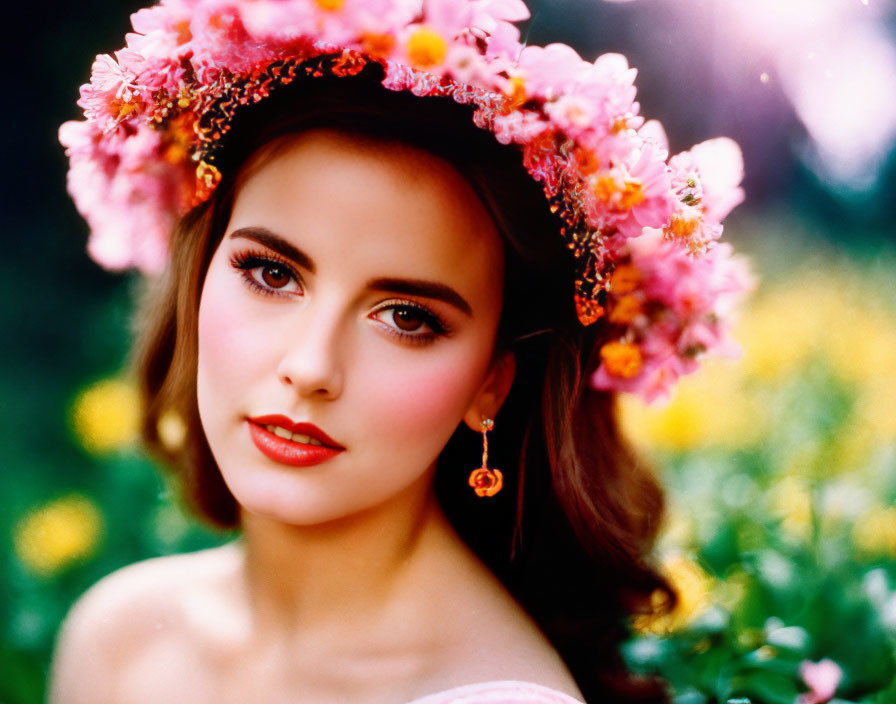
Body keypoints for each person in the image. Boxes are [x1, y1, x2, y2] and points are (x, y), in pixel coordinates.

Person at [50, 2, 751, 702]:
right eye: (271, 273)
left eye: (407, 318)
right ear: (198, 272)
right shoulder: (117, 639)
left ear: (492, 384)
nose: (312, 367)